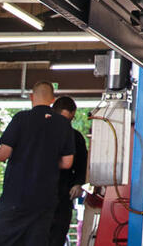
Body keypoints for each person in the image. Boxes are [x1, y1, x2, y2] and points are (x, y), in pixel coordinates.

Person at [0, 81, 75, 246]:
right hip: (45, 199)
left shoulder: (21, 119)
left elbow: (3, 155)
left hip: (16, 197)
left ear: (31, 97)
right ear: (52, 99)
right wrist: (45, 160)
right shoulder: (63, 125)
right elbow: (67, 163)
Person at [48, 96, 88, 246]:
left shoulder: (75, 137)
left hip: (63, 196)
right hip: (38, 197)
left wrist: (78, 184)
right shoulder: (40, 134)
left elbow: (82, 164)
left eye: (69, 120)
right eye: (63, 120)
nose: (66, 125)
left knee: (56, 238)